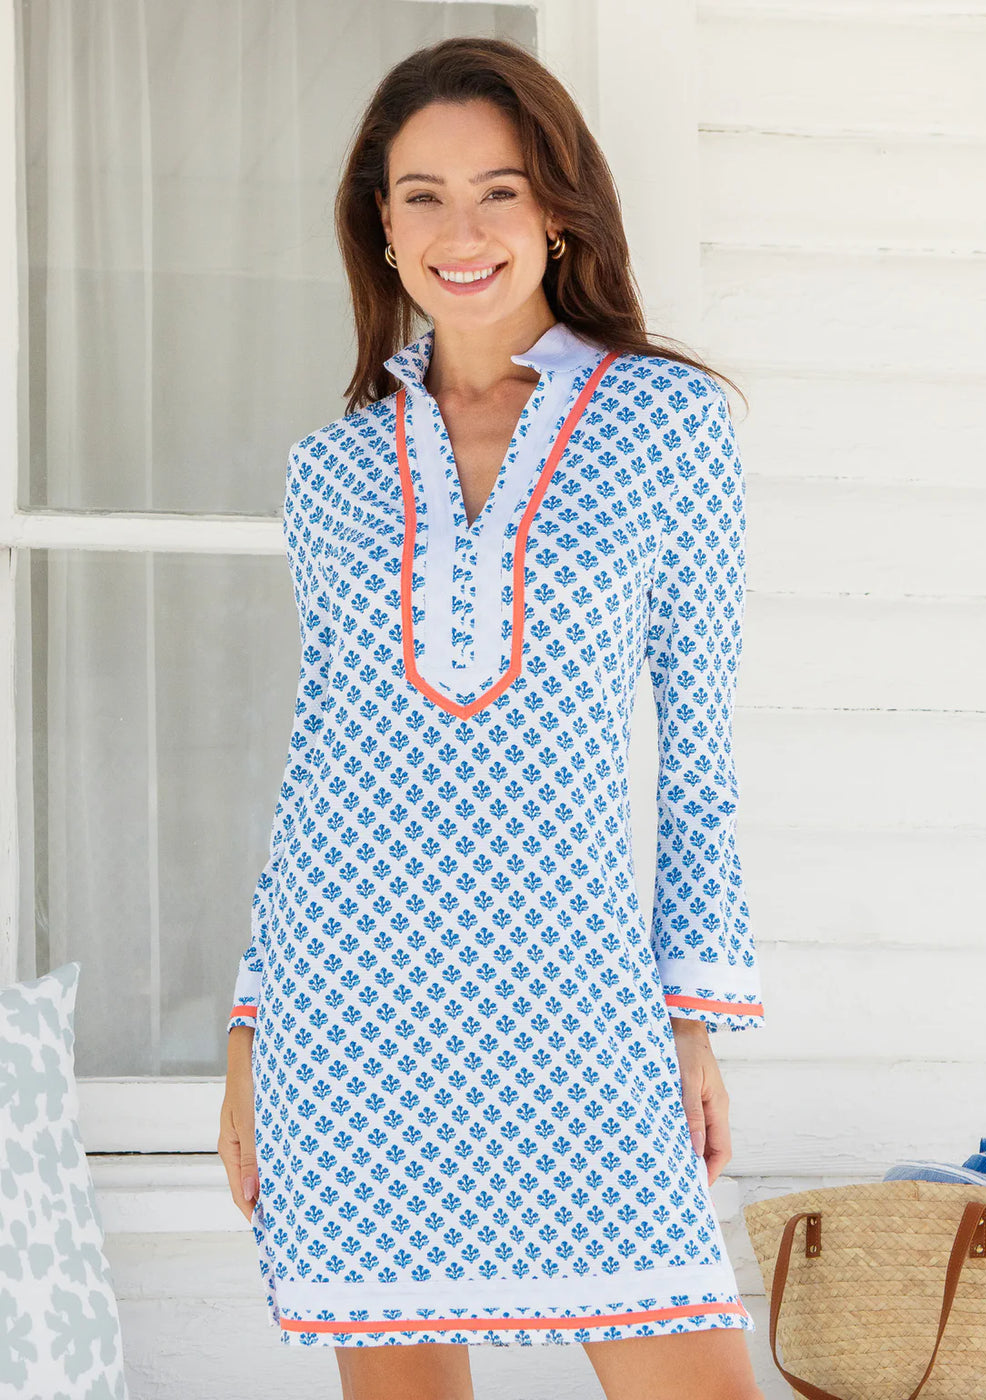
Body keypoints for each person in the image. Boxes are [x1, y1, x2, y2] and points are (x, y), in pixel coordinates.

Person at [218, 34, 766, 1400]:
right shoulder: (332, 470)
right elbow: (321, 771)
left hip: (578, 1004)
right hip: (349, 1011)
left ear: (560, 209)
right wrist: (248, 1036)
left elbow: (698, 752)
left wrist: (687, 1017)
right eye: (421, 195)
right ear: (379, 224)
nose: (461, 231)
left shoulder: (668, 427)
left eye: (500, 191)